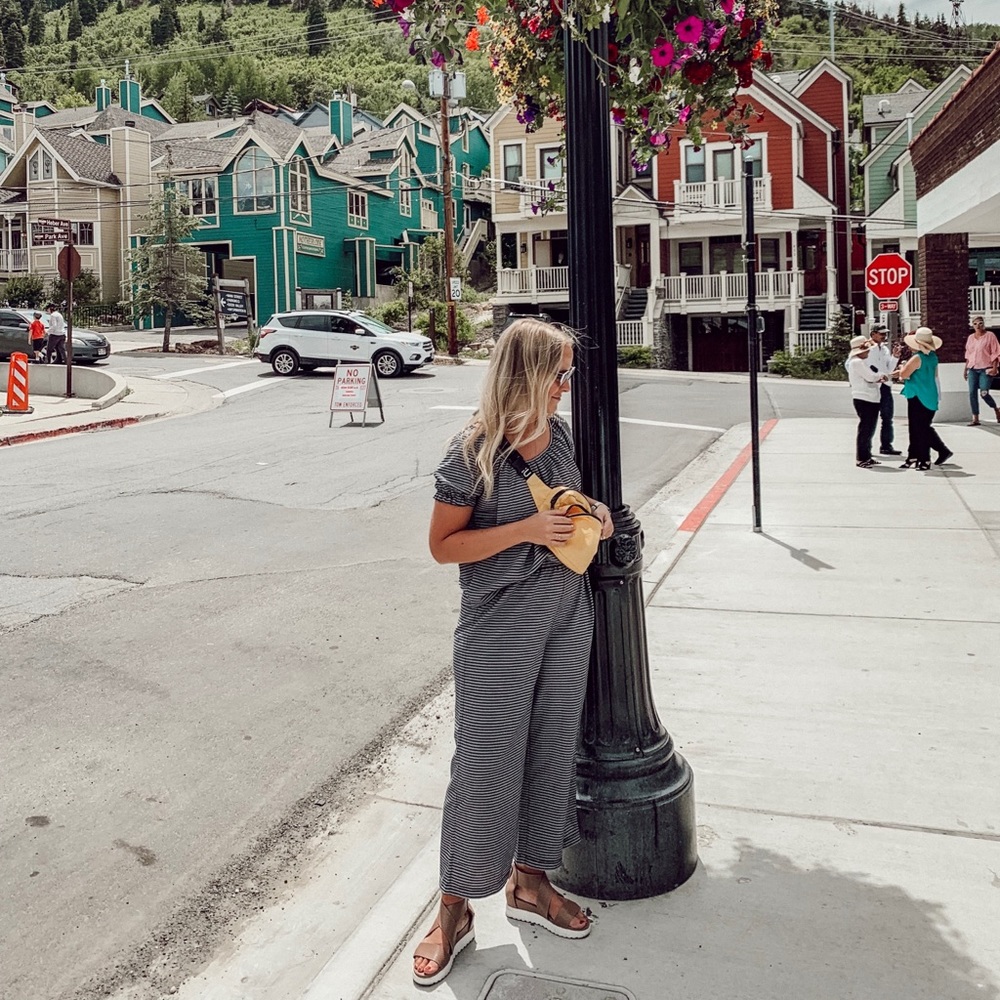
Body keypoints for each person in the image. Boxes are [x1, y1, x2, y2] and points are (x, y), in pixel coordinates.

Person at [414, 318, 614, 987]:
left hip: (566, 612)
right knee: (484, 763)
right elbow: (443, 546)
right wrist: (526, 529)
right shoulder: (473, 449)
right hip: (499, 625)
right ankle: (453, 908)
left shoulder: (558, 436)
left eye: (568, 374)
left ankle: (530, 884)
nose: (566, 386)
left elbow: (565, 501)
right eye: (558, 374)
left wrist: (593, 513)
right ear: (526, 375)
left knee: (552, 749)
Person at [896, 327, 951, 470]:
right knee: (918, 428)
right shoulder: (932, 357)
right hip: (928, 395)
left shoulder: (917, 358)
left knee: (919, 430)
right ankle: (914, 456)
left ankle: (924, 459)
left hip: (917, 396)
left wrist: (902, 367)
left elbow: (904, 374)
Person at [846, 334, 887, 469]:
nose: (868, 352)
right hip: (864, 398)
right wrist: (881, 376)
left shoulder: (860, 362)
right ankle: (861, 458)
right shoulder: (856, 362)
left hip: (870, 398)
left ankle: (867, 456)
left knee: (869, 429)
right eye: (867, 350)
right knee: (865, 429)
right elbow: (870, 377)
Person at [867, 325, 901, 455]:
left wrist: (895, 357)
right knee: (871, 419)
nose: (884, 336)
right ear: (873, 334)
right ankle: (866, 448)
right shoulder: (868, 349)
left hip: (885, 386)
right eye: (881, 334)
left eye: (885, 334)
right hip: (873, 385)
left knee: (887, 417)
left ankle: (886, 445)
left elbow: (889, 368)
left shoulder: (885, 349)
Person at [963, 316, 1000, 426]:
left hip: (986, 368)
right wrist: (965, 369)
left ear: (983, 324)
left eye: (980, 323)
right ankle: (976, 418)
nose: (978, 326)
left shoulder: (990, 336)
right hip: (973, 368)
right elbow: (968, 355)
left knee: (984, 393)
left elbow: (995, 353)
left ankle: (996, 409)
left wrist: (995, 367)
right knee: (972, 393)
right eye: (975, 324)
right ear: (972, 325)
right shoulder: (970, 338)